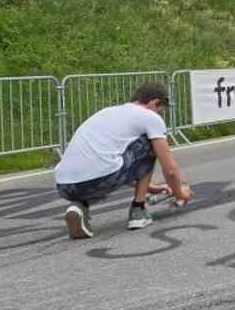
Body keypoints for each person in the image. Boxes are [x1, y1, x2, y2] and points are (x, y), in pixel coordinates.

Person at [54, 82, 194, 239]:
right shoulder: (150, 117)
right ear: (154, 103)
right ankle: (138, 210)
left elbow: (109, 163)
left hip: (65, 186)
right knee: (150, 144)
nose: (160, 116)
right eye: (160, 111)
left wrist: (152, 188)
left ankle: (79, 207)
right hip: (102, 177)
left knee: (102, 171)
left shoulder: (107, 112)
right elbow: (170, 169)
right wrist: (179, 193)